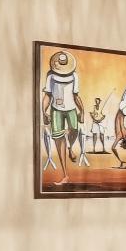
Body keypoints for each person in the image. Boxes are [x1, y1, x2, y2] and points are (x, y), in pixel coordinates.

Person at [39, 48, 84, 182]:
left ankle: (70, 147)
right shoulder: (50, 76)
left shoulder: (74, 76)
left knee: (74, 131)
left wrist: (82, 111)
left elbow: (76, 96)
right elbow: (48, 95)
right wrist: (44, 112)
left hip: (71, 109)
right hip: (56, 110)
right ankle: (65, 174)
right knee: (59, 140)